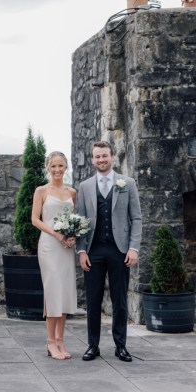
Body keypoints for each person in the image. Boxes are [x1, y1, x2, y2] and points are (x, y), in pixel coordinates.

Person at [76, 141, 142, 362]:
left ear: (112, 157)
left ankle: (120, 346)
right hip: (93, 250)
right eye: (97, 157)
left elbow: (136, 218)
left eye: (105, 156)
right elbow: (80, 222)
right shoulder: (84, 187)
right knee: (93, 301)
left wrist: (133, 248)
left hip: (120, 250)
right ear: (93, 160)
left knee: (120, 300)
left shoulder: (128, 183)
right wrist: (81, 251)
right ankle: (92, 346)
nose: (101, 160)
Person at [31, 152, 77, 361]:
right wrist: (56, 234)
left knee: (66, 291)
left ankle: (60, 339)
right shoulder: (41, 190)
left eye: (61, 166)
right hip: (49, 245)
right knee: (53, 290)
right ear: (48, 167)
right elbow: (35, 219)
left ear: (66, 167)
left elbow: (75, 218)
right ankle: (50, 341)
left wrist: (73, 235)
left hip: (66, 247)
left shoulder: (72, 192)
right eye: (53, 166)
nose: (57, 170)